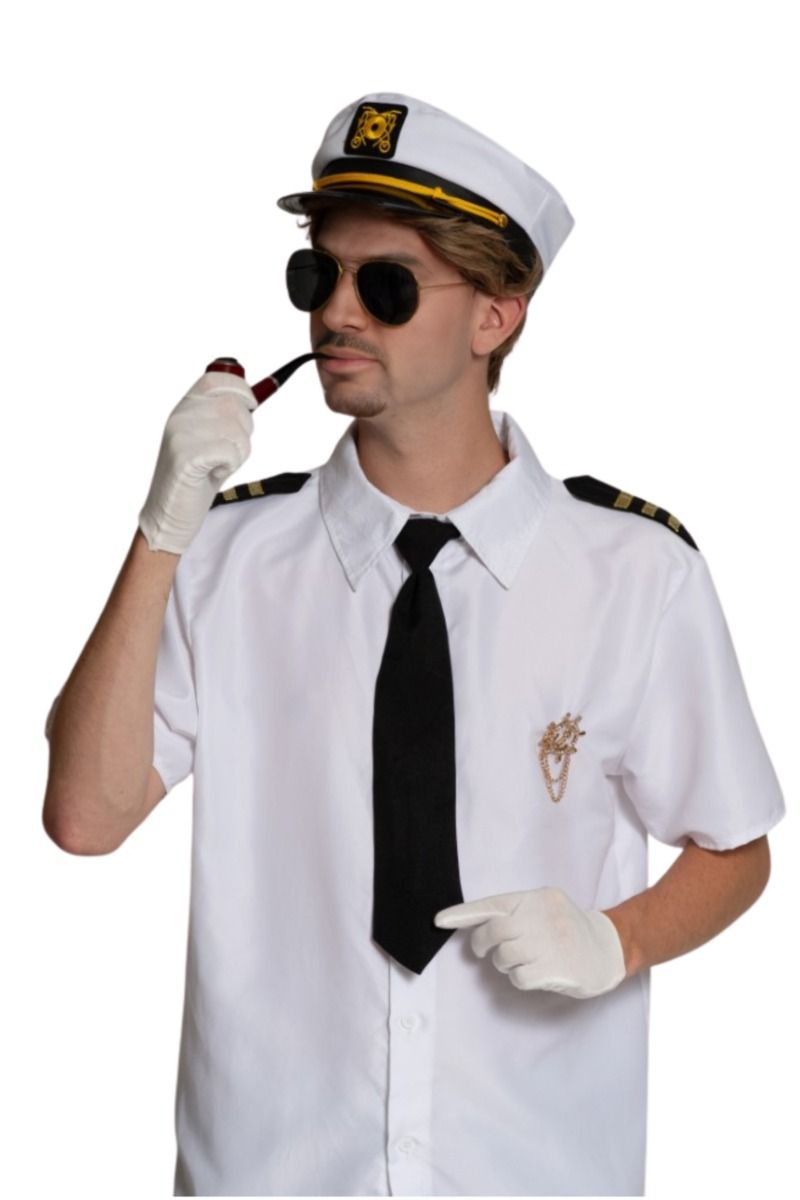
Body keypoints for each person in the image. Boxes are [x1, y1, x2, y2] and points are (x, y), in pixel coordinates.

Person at [42, 93, 786, 1197]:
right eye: (317, 276)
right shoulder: (225, 561)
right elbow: (86, 817)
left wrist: (616, 940)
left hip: (534, 1174)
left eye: (385, 286)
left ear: (495, 315)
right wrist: (161, 530)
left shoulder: (634, 574)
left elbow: (735, 845)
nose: (336, 313)